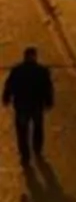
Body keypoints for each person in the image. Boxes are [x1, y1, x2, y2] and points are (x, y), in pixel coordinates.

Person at [3, 46, 55, 175]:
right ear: (35, 56)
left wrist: (6, 98)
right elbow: (47, 88)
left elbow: (9, 85)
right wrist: (48, 101)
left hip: (22, 106)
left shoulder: (17, 70)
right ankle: (37, 149)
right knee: (38, 128)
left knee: (22, 131)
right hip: (36, 105)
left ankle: (25, 155)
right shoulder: (42, 71)